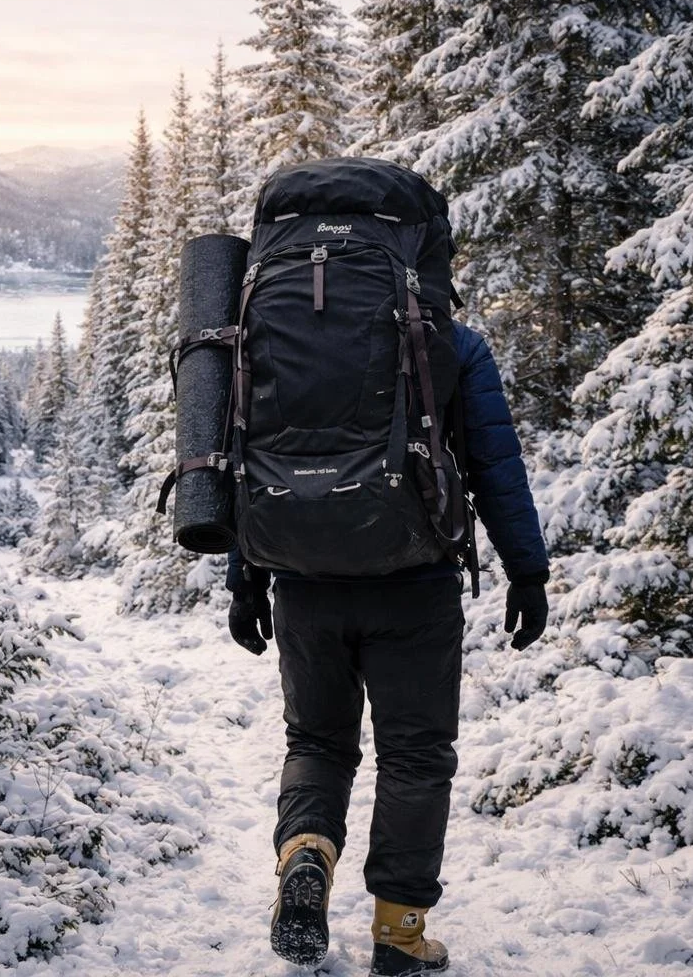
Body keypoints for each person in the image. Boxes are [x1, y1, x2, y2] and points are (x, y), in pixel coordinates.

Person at [225, 318, 549, 976]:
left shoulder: (268, 332)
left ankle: (306, 853)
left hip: (305, 583)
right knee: (416, 755)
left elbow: (242, 455)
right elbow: (493, 462)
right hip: (416, 584)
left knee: (316, 743)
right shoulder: (450, 339)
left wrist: (245, 580)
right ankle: (399, 935)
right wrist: (527, 571)